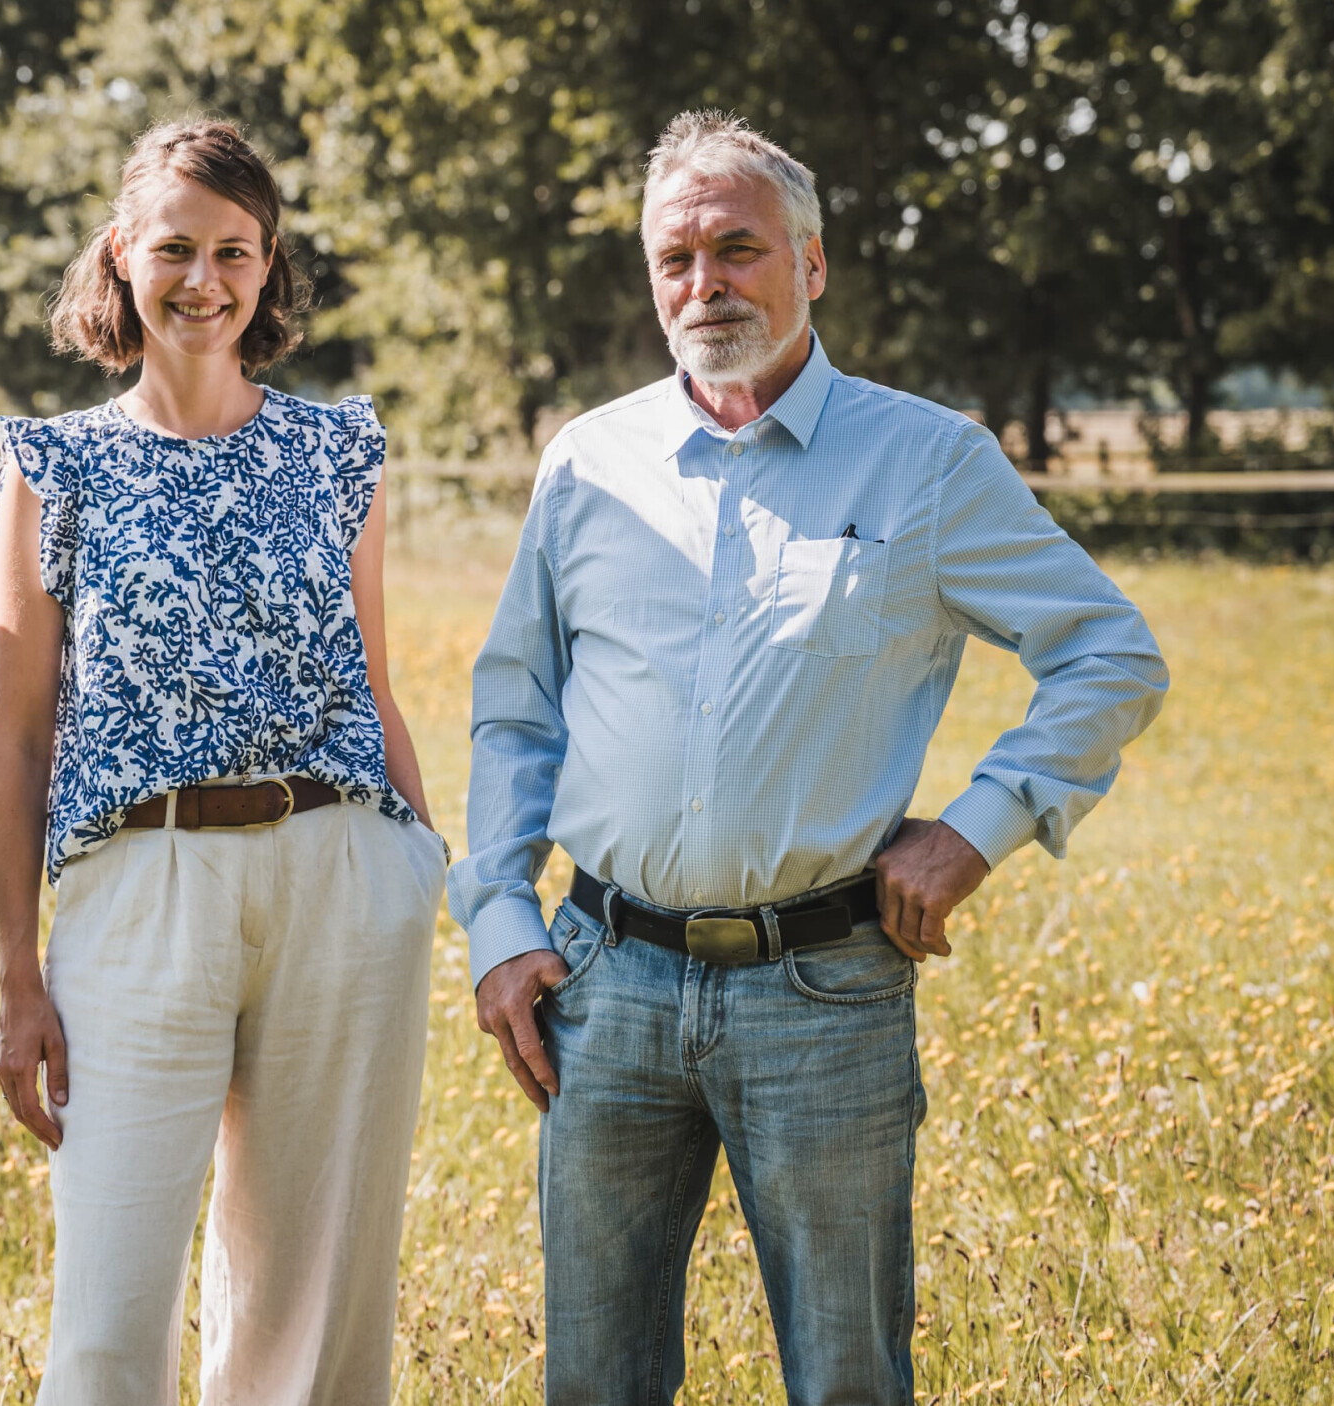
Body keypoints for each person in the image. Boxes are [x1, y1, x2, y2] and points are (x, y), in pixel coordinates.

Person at [450, 111, 1168, 1406]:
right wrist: (499, 916)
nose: (705, 284)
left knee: (847, 1376)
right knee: (594, 1379)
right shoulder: (588, 464)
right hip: (603, 987)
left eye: (739, 249)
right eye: (676, 258)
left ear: (814, 264)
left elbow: (1110, 655)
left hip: (825, 990)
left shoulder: (926, 462)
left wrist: (978, 827)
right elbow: (518, 708)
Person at [0, 118, 448, 1405]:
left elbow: (374, 680)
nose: (205, 279)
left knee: (315, 1292)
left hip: (342, 873)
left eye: (233, 251)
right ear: (122, 254)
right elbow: (20, 732)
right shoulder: (55, 463)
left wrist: (423, 862)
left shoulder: (337, 449)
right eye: (176, 246)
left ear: (268, 264)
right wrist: (20, 973)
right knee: (112, 1303)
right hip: (141, 883)